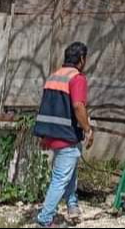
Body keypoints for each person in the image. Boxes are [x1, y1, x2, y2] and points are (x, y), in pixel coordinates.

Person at [34, 41, 93, 227]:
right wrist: (88, 129)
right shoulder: (77, 78)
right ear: (81, 59)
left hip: (53, 134)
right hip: (67, 135)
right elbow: (78, 106)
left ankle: (72, 204)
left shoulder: (54, 76)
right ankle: (45, 219)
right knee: (60, 178)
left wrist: (45, 136)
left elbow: (47, 107)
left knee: (70, 172)